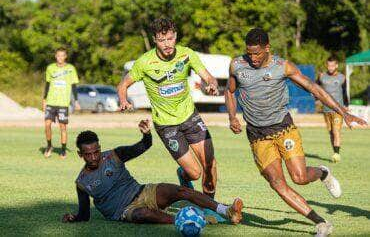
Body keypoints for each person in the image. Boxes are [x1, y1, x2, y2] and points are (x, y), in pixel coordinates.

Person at [224, 28, 367, 237]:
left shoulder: (282, 66)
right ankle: (321, 223)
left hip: (283, 128)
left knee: (299, 177)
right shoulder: (237, 65)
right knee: (277, 183)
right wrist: (231, 116)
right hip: (257, 135)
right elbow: (230, 91)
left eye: (257, 53)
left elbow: (313, 88)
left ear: (267, 48)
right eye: (249, 53)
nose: (253, 58)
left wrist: (342, 112)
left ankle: (323, 172)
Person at [117, 17, 223, 220]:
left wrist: (211, 84)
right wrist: (123, 99)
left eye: (170, 38)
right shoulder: (145, 62)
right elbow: (123, 84)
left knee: (210, 164)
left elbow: (208, 77)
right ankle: (183, 175)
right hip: (167, 126)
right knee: (194, 173)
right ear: (155, 40)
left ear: (176, 36)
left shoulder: (187, 54)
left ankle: (209, 209)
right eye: (161, 40)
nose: (167, 44)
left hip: (190, 117)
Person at [62, 120, 243, 225]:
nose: (93, 157)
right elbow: (85, 214)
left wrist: (146, 134)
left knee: (180, 191)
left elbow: (144, 146)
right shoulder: (82, 182)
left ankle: (226, 211)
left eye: (96, 152)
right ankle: (185, 221)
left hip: (144, 192)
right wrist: (74, 217)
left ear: (99, 148)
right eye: (88, 154)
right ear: (80, 154)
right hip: (126, 210)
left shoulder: (114, 156)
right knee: (143, 214)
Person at [42, 47, 80, 159]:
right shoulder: (50, 68)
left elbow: (74, 86)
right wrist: (44, 99)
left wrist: (76, 101)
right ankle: (49, 146)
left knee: (62, 127)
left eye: (62, 55)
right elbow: (47, 85)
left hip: (63, 103)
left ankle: (63, 150)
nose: (60, 58)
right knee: (47, 125)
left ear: (65, 56)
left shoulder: (70, 69)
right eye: (58, 55)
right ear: (55, 56)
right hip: (51, 101)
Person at [317, 56, 349, 163]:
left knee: (336, 131)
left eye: (332, 65)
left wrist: (347, 105)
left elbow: (344, 92)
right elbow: (315, 88)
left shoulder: (342, 77)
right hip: (326, 109)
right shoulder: (321, 76)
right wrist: (316, 98)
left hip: (338, 110)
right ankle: (335, 152)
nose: (330, 67)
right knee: (331, 132)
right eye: (328, 65)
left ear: (336, 66)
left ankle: (337, 154)